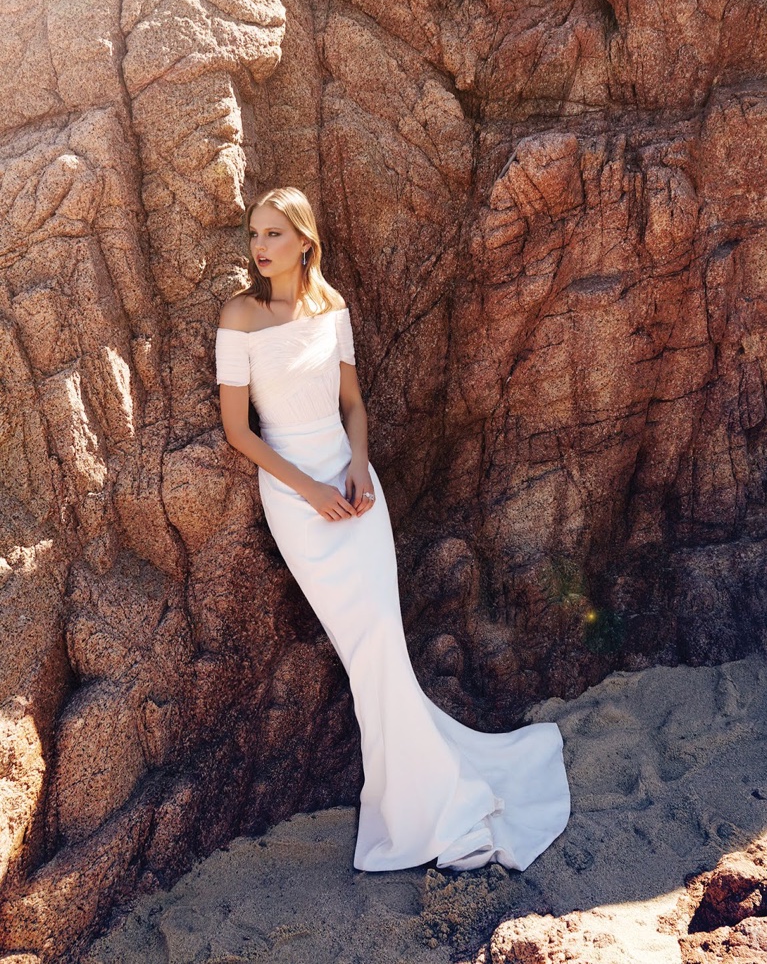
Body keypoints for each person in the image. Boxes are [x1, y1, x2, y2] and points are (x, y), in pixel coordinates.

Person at [215, 186, 570, 871]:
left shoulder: (331, 306)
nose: (260, 247)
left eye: (274, 234)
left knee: (384, 645)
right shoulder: (240, 316)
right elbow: (239, 431)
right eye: (255, 233)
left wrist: (357, 463)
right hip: (295, 496)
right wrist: (311, 488)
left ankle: (423, 798)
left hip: (354, 488)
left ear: (304, 242)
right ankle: (427, 801)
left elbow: (352, 403)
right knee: (367, 651)